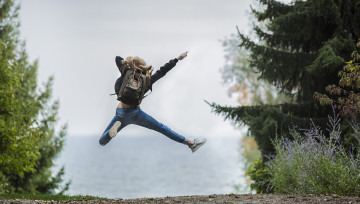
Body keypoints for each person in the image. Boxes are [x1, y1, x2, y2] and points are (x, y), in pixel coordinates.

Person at [99, 51, 207, 153]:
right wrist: (177, 59)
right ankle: (190, 143)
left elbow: (117, 58)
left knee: (102, 142)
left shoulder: (126, 72)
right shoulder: (146, 80)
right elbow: (162, 71)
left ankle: (109, 135)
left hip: (120, 113)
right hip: (136, 114)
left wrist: (128, 63)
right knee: (161, 128)